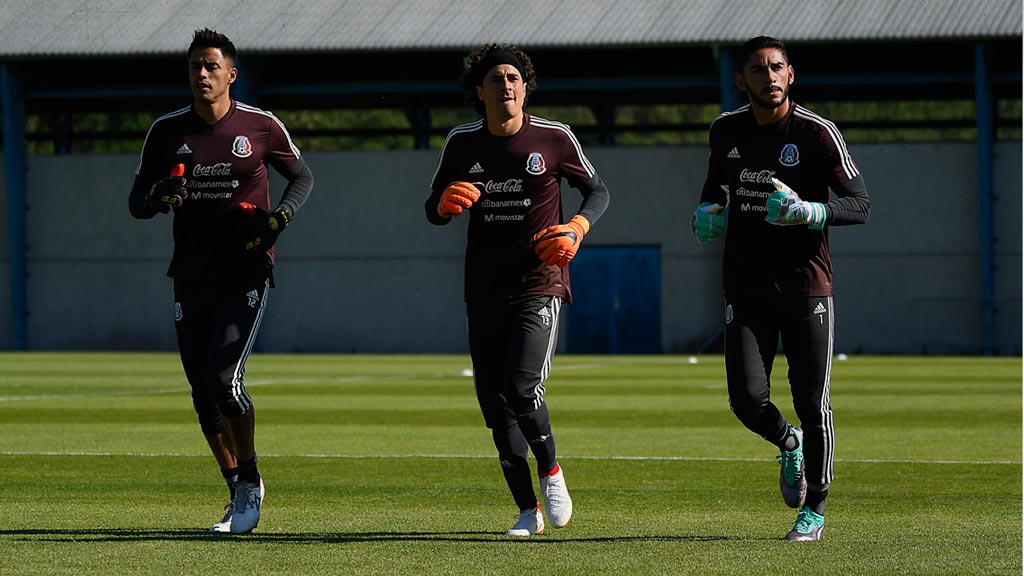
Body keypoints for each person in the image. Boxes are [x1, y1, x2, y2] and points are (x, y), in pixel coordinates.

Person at [128, 28, 313, 534]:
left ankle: (251, 482)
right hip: (190, 273)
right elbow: (137, 202)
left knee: (222, 379)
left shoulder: (261, 125)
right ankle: (235, 490)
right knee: (200, 391)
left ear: (232, 74)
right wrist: (159, 195)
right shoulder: (166, 131)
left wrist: (279, 219)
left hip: (246, 268)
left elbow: (303, 177)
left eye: (212, 66)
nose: (202, 75)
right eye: (195, 67)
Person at [425, 44, 610, 536]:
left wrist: (576, 228)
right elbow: (433, 209)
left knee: (521, 386)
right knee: (494, 406)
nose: (505, 85)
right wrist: (443, 204)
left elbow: (598, 191)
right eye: (494, 79)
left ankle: (551, 471)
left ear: (525, 87)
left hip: (539, 282)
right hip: (483, 288)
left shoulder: (554, 137)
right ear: (478, 91)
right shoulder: (462, 143)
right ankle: (527, 512)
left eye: (513, 77)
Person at [691, 36, 870, 541]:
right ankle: (787, 442)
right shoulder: (725, 130)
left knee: (813, 402)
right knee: (747, 400)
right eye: (758, 69)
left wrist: (813, 212)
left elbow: (860, 204)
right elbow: (716, 187)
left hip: (807, 288)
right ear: (740, 80)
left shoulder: (817, 134)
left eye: (777, 68)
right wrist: (707, 212)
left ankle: (814, 509)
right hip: (745, 288)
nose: (769, 77)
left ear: (790, 74)